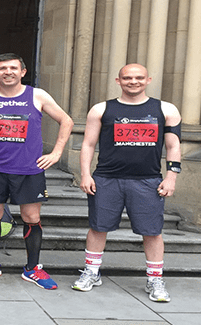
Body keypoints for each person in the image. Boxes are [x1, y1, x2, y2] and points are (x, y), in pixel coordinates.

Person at [0, 53, 73, 290]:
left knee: (32, 218)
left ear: (23, 72)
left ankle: (33, 269)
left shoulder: (37, 95)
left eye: (13, 68)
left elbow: (66, 121)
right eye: (2, 68)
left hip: (29, 169)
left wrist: (57, 153)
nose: (8, 72)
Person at [74, 63, 181, 302]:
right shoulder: (101, 109)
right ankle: (92, 271)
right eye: (128, 78)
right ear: (118, 80)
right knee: (98, 227)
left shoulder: (165, 109)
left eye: (139, 77)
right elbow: (88, 144)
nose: (134, 81)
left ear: (148, 80)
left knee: (152, 231)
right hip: (107, 178)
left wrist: (171, 176)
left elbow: (174, 145)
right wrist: (85, 174)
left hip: (148, 180)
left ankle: (155, 279)